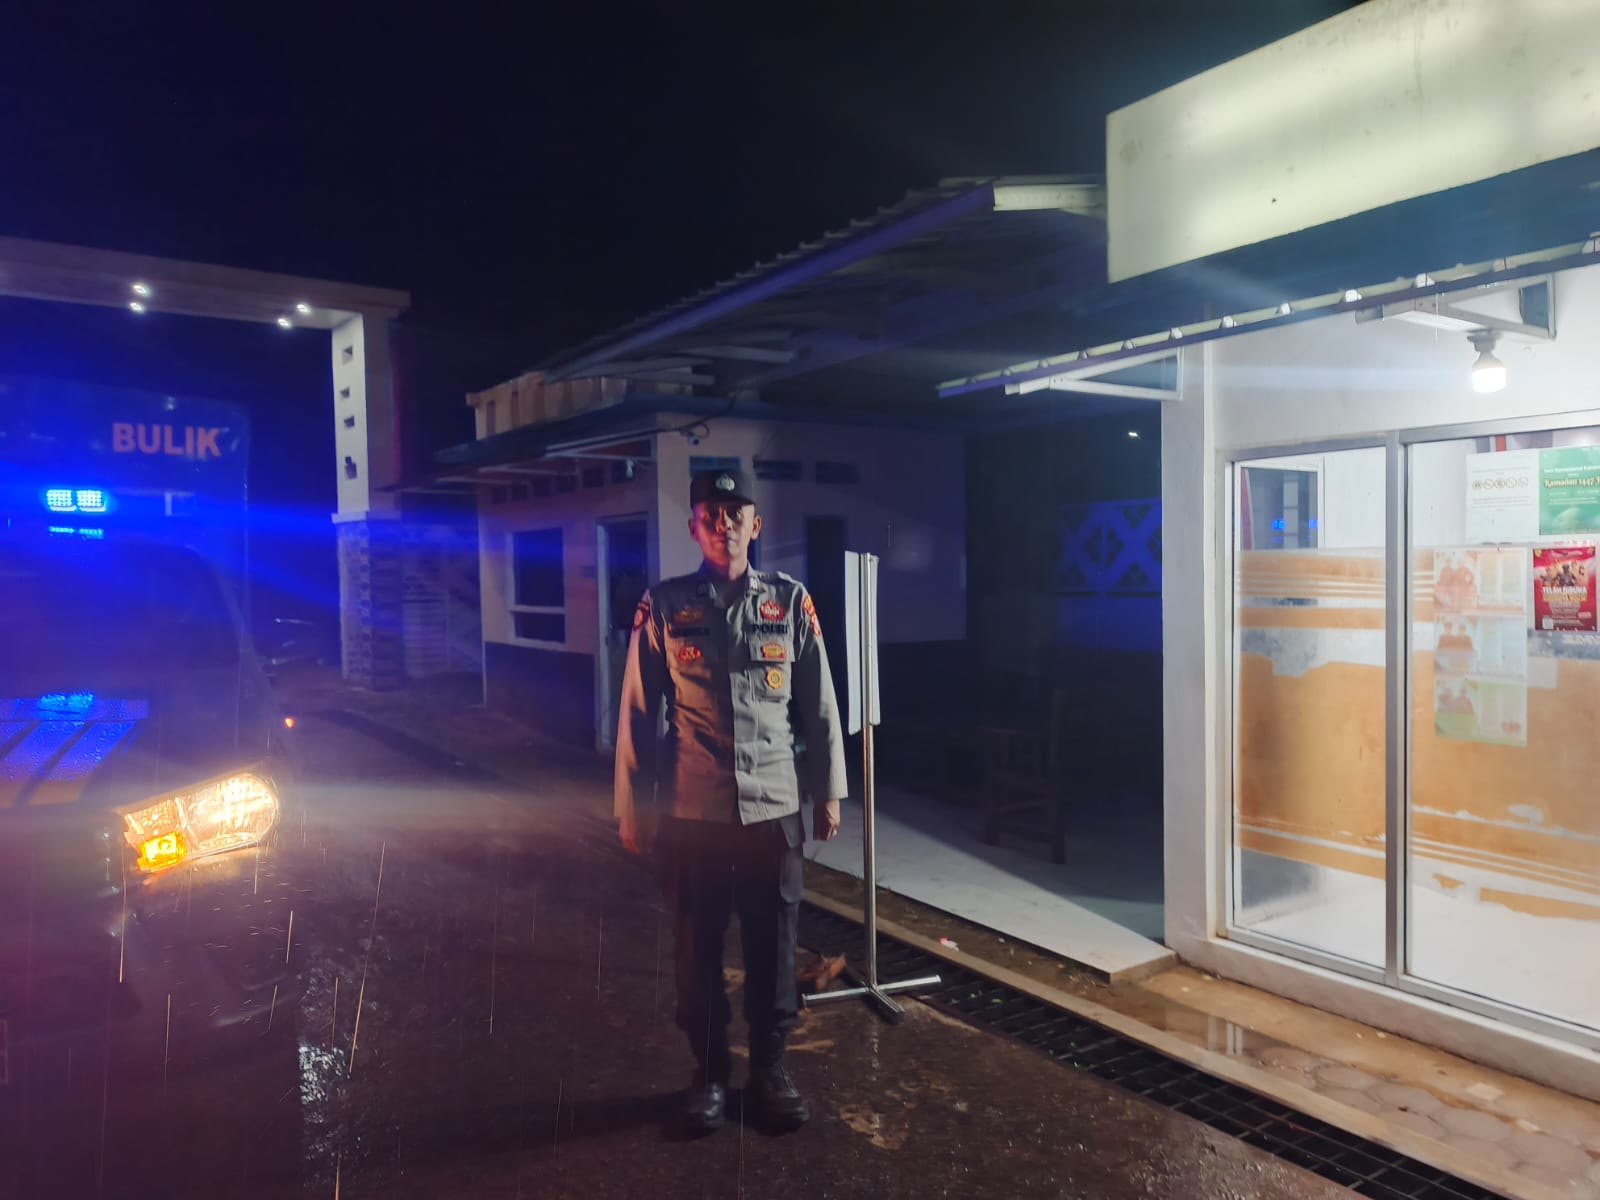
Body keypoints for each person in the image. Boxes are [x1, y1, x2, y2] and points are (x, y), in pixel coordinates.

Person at [614, 466, 847, 1136]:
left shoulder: (790, 601)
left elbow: (819, 705)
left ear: (756, 525)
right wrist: (632, 806)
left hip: (773, 810)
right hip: (694, 815)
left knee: (775, 947)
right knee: (698, 953)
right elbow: (637, 713)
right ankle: (709, 1074)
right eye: (711, 516)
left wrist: (828, 791)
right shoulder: (664, 605)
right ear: (694, 528)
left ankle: (769, 1071)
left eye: (735, 514)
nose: (724, 526)